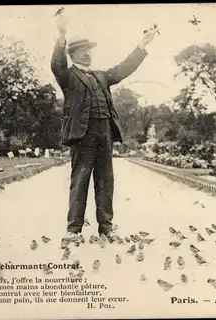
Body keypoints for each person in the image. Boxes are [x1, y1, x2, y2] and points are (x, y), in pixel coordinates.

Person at [51, 13, 157, 245]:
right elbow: (56, 64)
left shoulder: (100, 76)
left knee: (105, 180)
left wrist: (142, 45)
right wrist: (61, 34)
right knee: (80, 180)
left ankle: (106, 228)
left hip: (105, 133)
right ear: (73, 54)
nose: (88, 53)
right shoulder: (68, 76)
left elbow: (123, 69)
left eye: (90, 49)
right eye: (83, 50)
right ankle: (73, 230)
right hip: (82, 135)